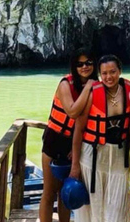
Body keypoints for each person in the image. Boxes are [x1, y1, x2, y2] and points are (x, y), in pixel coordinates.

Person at [71, 55, 130, 222]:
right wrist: (75, 166)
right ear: (99, 75)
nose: (109, 77)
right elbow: (78, 130)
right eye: (104, 73)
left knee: (118, 208)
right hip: (93, 156)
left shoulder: (129, 91)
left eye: (113, 72)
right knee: (93, 207)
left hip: (119, 157)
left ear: (120, 71)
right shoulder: (93, 94)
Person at [39, 50, 98, 222]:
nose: (84, 67)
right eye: (80, 64)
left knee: (66, 192)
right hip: (55, 139)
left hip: (76, 143)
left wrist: (78, 149)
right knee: (49, 192)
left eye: (88, 63)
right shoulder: (65, 83)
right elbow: (72, 111)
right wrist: (88, 87)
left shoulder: (97, 87)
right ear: (74, 66)